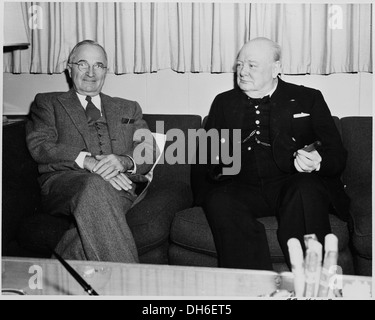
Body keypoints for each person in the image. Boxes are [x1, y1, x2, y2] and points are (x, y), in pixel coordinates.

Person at [192, 37, 350, 271]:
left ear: (276, 69)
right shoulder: (224, 102)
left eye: (252, 65)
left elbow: (336, 153)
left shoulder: (309, 98)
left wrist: (318, 162)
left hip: (291, 184)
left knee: (305, 189)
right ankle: (251, 287)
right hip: (242, 187)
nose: (243, 71)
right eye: (239, 65)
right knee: (219, 199)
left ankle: (313, 278)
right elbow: (204, 158)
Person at [26, 40, 158, 263]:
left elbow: (148, 148)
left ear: (106, 71)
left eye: (98, 65)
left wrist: (124, 162)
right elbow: (41, 145)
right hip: (65, 185)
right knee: (95, 184)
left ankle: (57, 271)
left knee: (99, 192)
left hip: (121, 185)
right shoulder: (48, 103)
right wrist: (87, 161)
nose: (90, 73)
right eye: (82, 64)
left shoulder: (128, 107)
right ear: (70, 68)